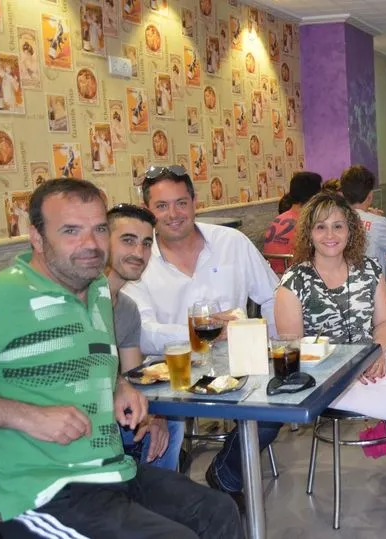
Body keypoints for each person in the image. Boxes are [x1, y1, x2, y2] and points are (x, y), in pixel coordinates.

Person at [0, 178, 242, 538]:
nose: (90, 243)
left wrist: (117, 385)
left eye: (99, 229)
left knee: (218, 510)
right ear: (37, 238)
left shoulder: (97, 291)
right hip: (41, 493)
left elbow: (90, 359)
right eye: (71, 230)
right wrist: (27, 416)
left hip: (115, 472)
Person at [275, 192, 386, 538]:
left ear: (351, 230)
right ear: (308, 233)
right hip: (329, 378)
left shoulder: (368, 269)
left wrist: (374, 353)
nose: (330, 234)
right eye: (321, 226)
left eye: (339, 225)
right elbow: (293, 350)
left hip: (372, 356)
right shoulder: (292, 283)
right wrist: (354, 364)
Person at [121, 165, 283, 510]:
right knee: (163, 424)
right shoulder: (137, 259)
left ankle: (226, 473)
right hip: (169, 373)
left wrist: (265, 340)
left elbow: (272, 297)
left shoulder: (232, 243)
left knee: (280, 401)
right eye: (161, 206)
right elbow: (142, 331)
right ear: (149, 211)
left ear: (195, 202)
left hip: (238, 364)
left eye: (181, 203)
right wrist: (202, 331)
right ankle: (174, 497)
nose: (173, 214)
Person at [106, 203, 185, 471]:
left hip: (120, 409)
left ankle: (159, 496)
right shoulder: (80, 301)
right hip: (87, 416)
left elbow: (134, 377)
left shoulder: (127, 309)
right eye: (128, 241)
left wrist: (155, 416)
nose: (139, 252)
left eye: (146, 243)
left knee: (169, 421)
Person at [340, 165, 386, 270]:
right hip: (372, 284)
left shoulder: (336, 219)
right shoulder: (377, 222)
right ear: (370, 195)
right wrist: (375, 218)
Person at [263, 171, 322, 273]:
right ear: (315, 197)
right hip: (297, 278)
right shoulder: (308, 223)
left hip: (274, 277)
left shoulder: (277, 219)